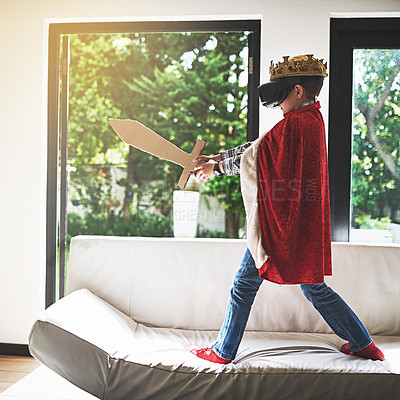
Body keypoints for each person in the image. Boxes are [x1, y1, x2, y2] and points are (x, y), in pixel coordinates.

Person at [190, 54, 385, 364]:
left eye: (280, 95)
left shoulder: (298, 123)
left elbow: (258, 156)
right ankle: (363, 343)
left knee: (244, 284)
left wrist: (217, 169)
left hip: (283, 225)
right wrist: (216, 159)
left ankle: (223, 351)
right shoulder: (310, 120)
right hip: (301, 224)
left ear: (297, 91)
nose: (278, 104)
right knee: (314, 288)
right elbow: (258, 147)